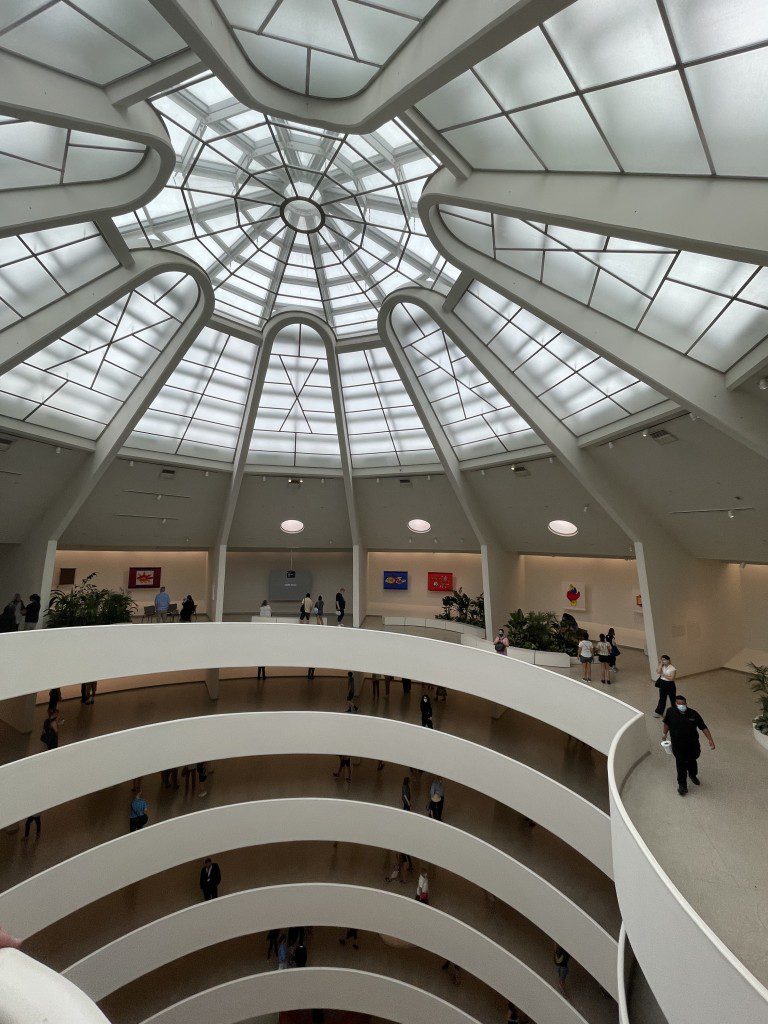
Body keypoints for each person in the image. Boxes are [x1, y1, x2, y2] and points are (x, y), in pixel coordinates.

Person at [663, 694, 716, 796]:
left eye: (683, 704)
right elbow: (666, 723)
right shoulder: (670, 712)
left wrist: (710, 740)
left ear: (686, 704)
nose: (681, 706)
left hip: (692, 745)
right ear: (675, 704)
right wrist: (664, 733)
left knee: (692, 761)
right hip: (678, 746)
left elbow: (703, 727)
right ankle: (682, 785)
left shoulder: (693, 714)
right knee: (681, 764)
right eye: (679, 704)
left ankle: (692, 775)